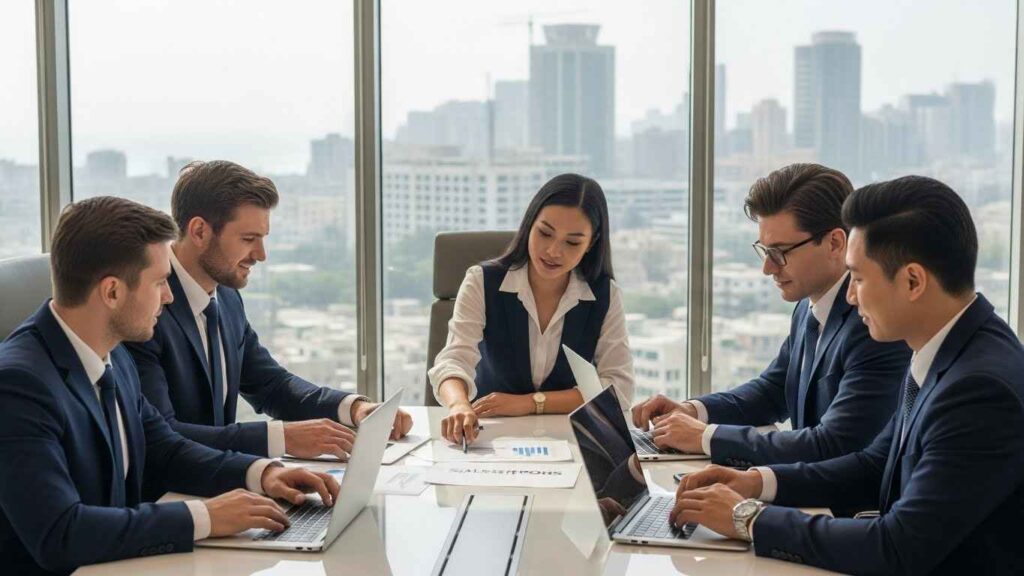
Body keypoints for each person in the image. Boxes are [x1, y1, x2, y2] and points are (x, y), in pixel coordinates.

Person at [670, 176, 1024, 575]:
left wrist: (748, 518)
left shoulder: (979, 390)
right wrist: (755, 482)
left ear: (912, 281)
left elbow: (897, 545)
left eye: (857, 278)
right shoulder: (943, 348)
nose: (851, 297)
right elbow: (874, 466)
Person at [0, 197, 341, 575]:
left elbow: (164, 449)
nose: (169, 296)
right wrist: (204, 517)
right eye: (160, 281)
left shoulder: (114, 355)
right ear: (112, 292)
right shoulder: (18, 385)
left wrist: (262, 473)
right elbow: (61, 533)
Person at [125, 161, 411, 488]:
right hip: (169, 497)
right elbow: (165, 434)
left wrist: (353, 408)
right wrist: (280, 438)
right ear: (200, 231)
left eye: (262, 238)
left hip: (218, 486)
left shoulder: (226, 296)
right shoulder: (145, 308)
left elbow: (269, 385)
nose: (261, 255)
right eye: (249, 239)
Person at [632, 163, 910, 467]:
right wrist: (691, 410)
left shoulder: (874, 324)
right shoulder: (808, 306)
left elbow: (835, 443)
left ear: (834, 243)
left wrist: (704, 436)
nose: (768, 268)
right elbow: (773, 391)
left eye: (780, 253)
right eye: (765, 251)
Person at [431, 173, 634, 445]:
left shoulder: (604, 295)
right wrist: (458, 405)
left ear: (592, 243)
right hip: (490, 437)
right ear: (529, 225)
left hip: (571, 443)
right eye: (545, 233)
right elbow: (453, 361)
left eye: (572, 242)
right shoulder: (482, 281)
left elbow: (618, 390)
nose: (553, 251)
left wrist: (531, 403)